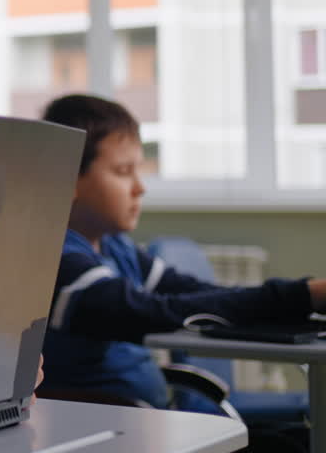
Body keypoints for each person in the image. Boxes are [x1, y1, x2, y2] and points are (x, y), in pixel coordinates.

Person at [39, 93, 326, 413]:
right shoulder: (56, 258)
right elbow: (151, 311)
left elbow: (200, 294)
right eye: (123, 171)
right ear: (66, 178)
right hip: (112, 423)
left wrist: (303, 299)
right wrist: (300, 295)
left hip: (150, 417)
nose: (140, 187)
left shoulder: (116, 248)